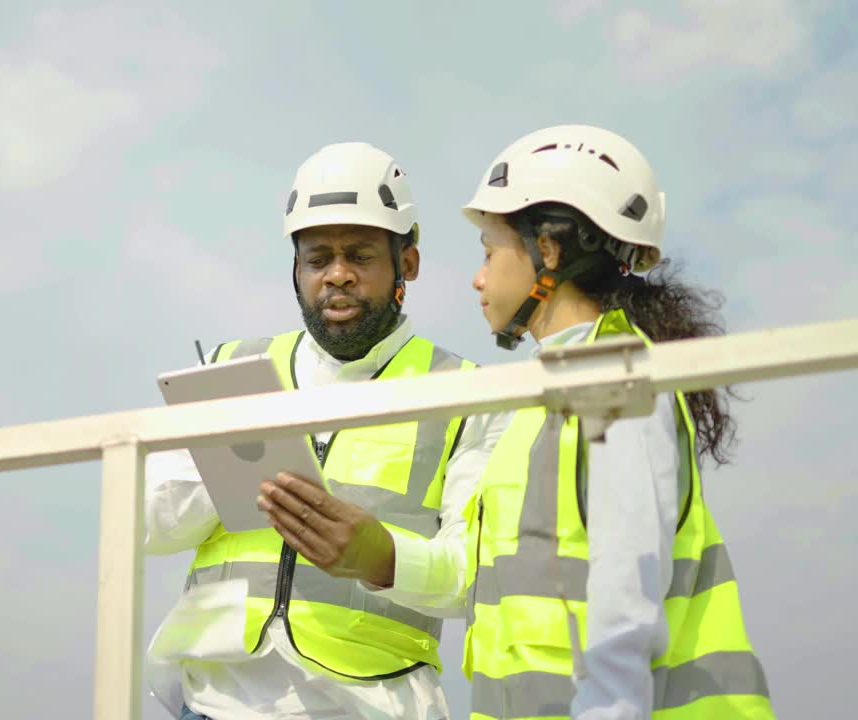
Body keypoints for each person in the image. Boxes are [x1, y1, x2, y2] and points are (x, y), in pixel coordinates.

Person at [144, 141, 505, 720]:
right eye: (318, 259)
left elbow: (479, 575)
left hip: (368, 703)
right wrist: (226, 463)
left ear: (406, 264)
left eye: (359, 256)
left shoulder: (468, 393)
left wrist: (383, 557)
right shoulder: (228, 364)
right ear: (296, 268)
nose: (337, 276)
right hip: (213, 699)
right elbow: (146, 527)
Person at [457, 124, 775, 719]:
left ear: (547, 252)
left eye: (488, 251)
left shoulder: (615, 383)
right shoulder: (543, 397)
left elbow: (625, 608)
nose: (478, 277)